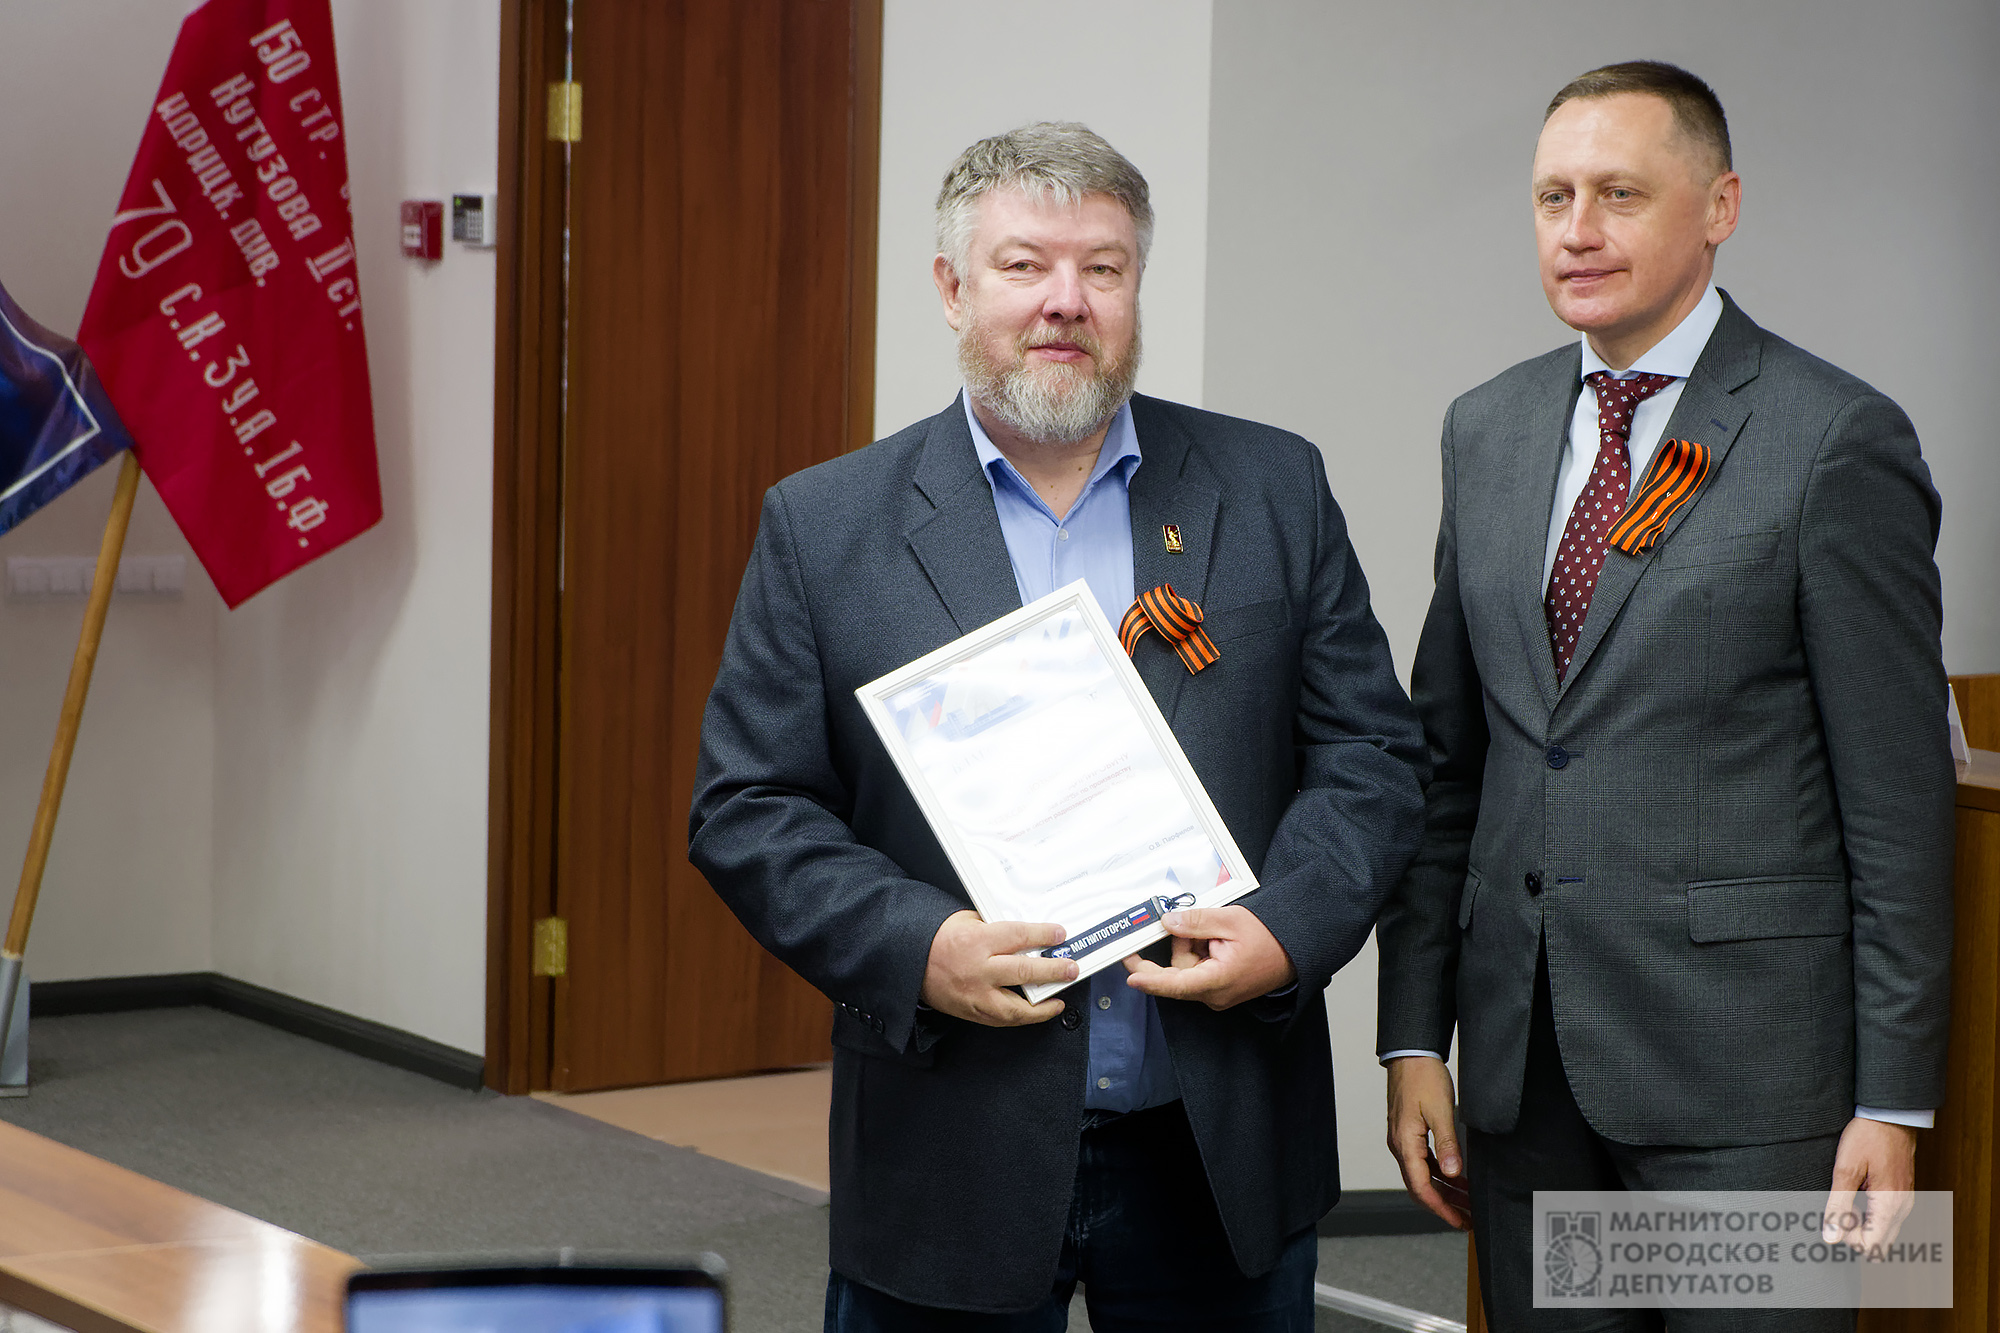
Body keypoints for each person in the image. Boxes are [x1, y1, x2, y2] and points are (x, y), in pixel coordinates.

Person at [691, 122, 1426, 1329]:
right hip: (950, 1138)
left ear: (1135, 288)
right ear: (951, 288)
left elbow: (1371, 756)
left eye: (1102, 267)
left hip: (1216, 1134)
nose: (1065, 302)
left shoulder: (1270, 487)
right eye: (1024, 265)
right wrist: (919, 946)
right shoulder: (824, 528)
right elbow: (747, 808)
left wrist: (1284, 930)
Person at [1375, 61, 1954, 1330]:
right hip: (1524, 1074)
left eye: (1619, 194)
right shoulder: (1486, 428)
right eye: (1552, 197)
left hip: (1746, 1092)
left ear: (1719, 206)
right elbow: (1448, 762)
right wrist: (1412, 1036)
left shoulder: (1832, 437)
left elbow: (1896, 804)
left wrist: (1892, 1101)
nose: (1576, 230)